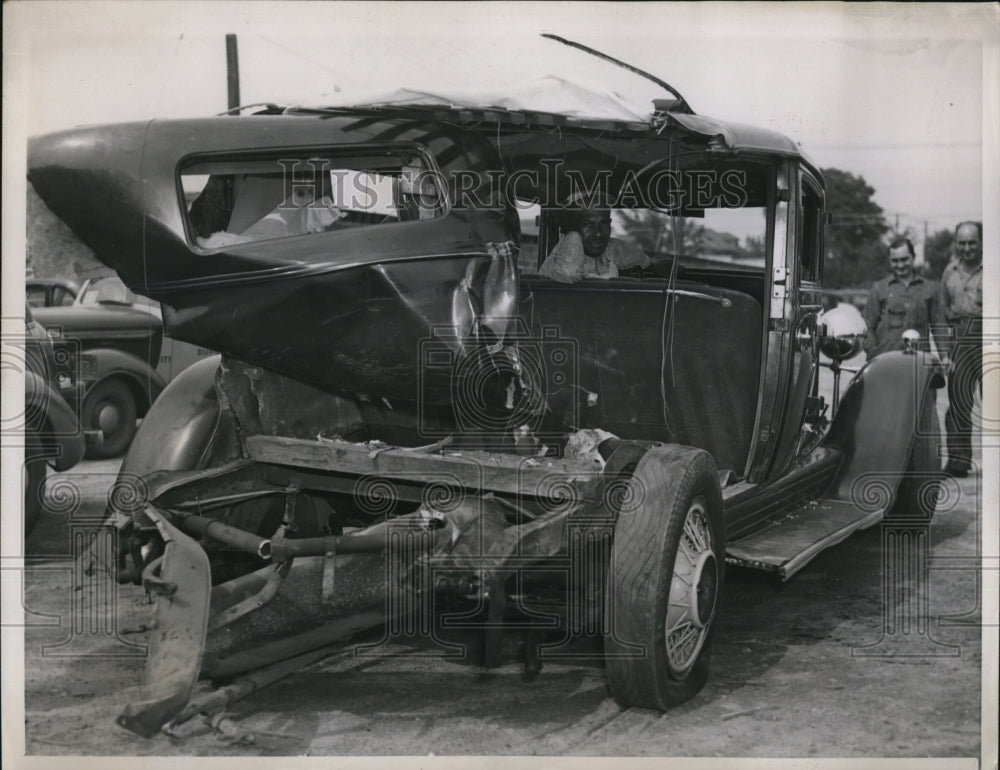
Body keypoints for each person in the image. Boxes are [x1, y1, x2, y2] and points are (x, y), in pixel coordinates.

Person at [941, 221, 983, 478]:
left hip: (990, 335)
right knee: (958, 401)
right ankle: (958, 462)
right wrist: (947, 350)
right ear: (956, 243)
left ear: (980, 243)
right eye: (962, 242)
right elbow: (943, 308)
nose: (967, 248)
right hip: (959, 336)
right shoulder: (949, 271)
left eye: (972, 242)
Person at [861, 237, 948, 360]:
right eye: (895, 261)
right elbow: (867, 326)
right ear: (890, 261)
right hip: (886, 361)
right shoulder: (879, 288)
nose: (900, 265)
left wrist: (945, 357)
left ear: (913, 257)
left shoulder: (930, 288)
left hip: (919, 361)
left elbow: (939, 326)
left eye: (904, 259)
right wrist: (874, 354)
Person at [538, 193, 650, 283]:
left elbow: (645, 261)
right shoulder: (570, 245)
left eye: (604, 223)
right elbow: (568, 273)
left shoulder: (610, 249)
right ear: (571, 228)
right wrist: (573, 235)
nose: (598, 234)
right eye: (588, 224)